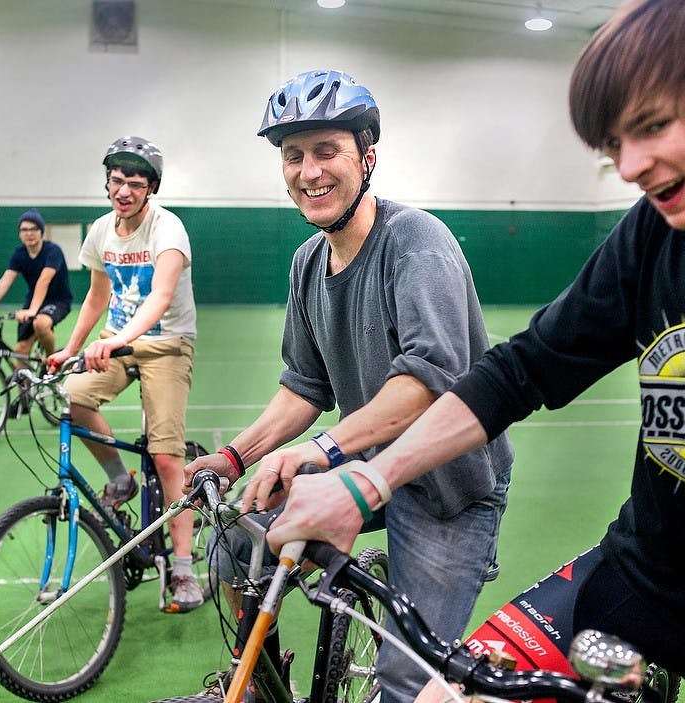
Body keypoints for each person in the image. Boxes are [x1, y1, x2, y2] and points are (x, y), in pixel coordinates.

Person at [265, 2, 685, 703]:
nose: (631, 166)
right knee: (440, 698)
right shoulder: (653, 236)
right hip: (643, 581)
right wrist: (366, 481)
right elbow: (521, 370)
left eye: (654, 126)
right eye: (615, 143)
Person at [182, 69, 514, 703]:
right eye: (293, 155)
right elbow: (304, 386)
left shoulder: (416, 242)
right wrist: (234, 457)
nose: (309, 171)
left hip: (451, 484)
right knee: (232, 543)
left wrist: (321, 450)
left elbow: (428, 379)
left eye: (326, 151)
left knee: (404, 681)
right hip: (364, 459)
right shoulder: (308, 263)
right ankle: (258, 680)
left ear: (367, 155)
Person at [48, 136, 206, 614]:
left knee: (165, 456)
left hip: (166, 345)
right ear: (108, 184)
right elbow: (97, 297)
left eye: (135, 184)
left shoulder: (168, 229)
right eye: (117, 182)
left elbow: (160, 296)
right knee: (72, 397)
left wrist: (116, 342)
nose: (124, 191)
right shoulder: (99, 231)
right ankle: (119, 479)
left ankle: (183, 571)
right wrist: (70, 350)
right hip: (117, 341)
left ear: (150, 189)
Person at [0, 208, 73, 366]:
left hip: (57, 301)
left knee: (40, 323)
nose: (29, 233)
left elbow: (43, 280)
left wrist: (33, 311)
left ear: (41, 231)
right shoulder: (19, 254)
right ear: (20, 233)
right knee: (21, 349)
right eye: (24, 230)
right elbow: (6, 279)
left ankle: (52, 362)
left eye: (34, 229)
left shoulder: (53, 251)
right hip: (33, 300)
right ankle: (23, 390)